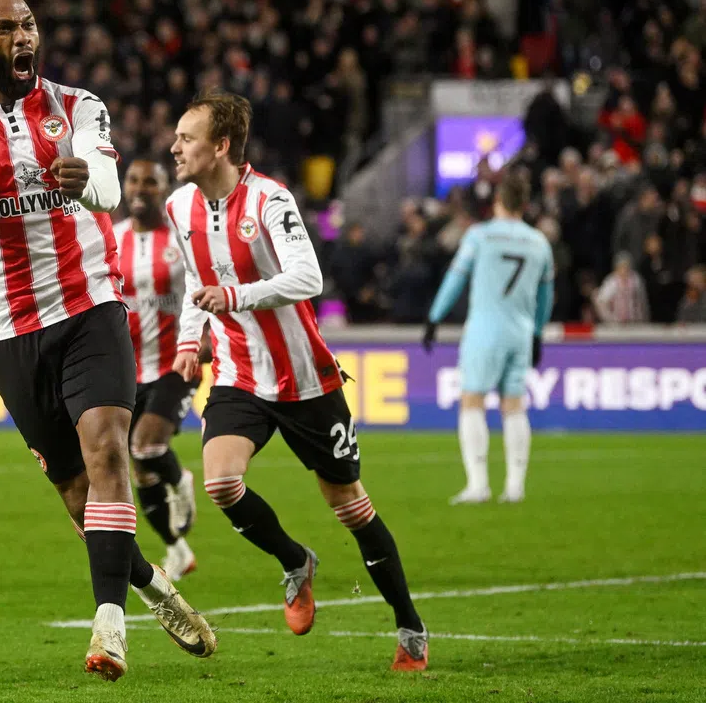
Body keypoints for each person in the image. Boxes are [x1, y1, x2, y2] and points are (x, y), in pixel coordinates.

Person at [0, 0, 214, 681]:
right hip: (7, 328)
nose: (21, 37)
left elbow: (104, 176)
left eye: (28, 25)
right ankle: (155, 587)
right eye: (4, 28)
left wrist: (91, 183)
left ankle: (109, 629)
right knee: (80, 498)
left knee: (109, 455)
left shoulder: (78, 105)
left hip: (89, 307)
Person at [166, 89, 428, 672]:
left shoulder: (270, 199)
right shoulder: (179, 207)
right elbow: (194, 283)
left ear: (221, 146)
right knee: (220, 484)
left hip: (305, 379)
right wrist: (190, 341)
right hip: (238, 374)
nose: (175, 146)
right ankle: (295, 562)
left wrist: (233, 296)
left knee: (350, 507)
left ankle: (410, 625)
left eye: (187, 137)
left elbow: (307, 277)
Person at [424, 174, 554, 505]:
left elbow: (456, 278)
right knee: (514, 404)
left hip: (485, 328)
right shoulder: (539, 242)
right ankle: (515, 487)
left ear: (498, 200)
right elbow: (546, 294)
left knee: (472, 400)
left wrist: (435, 317)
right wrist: (538, 332)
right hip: (521, 331)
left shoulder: (480, 236)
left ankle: (478, 485)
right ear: (524, 204)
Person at [113, 158, 201, 582]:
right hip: (127, 369)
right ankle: (176, 548)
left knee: (147, 447)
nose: (140, 188)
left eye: (151, 182)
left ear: (164, 189)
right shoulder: (112, 239)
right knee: (141, 469)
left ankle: (182, 479)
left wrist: (204, 341)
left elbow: (205, 292)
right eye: (134, 180)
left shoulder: (183, 240)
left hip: (176, 361)